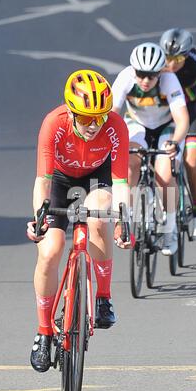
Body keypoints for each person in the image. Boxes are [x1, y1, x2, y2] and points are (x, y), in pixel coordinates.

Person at [27, 69, 131, 373]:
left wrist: (125, 221)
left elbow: (122, 182)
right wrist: (40, 218)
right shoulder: (54, 123)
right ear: (71, 112)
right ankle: (44, 331)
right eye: (85, 118)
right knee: (50, 251)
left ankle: (103, 297)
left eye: (99, 117)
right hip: (59, 181)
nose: (93, 125)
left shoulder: (115, 127)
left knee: (100, 216)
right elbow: (42, 181)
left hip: (97, 178)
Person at [112, 42, 189, 256]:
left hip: (167, 127)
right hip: (138, 125)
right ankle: (128, 218)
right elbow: (113, 114)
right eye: (141, 74)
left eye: (151, 76)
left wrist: (175, 142)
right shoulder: (126, 77)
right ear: (134, 70)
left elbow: (182, 119)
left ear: (160, 72)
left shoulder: (169, 79)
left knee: (164, 175)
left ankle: (170, 230)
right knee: (130, 164)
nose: (145, 81)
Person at [160, 28, 196, 240]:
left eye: (177, 59)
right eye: (168, 58)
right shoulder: (158, 63)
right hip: (168, 111)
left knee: (191, 161)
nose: (172, 64)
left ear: (186, 54)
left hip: (193, 109)